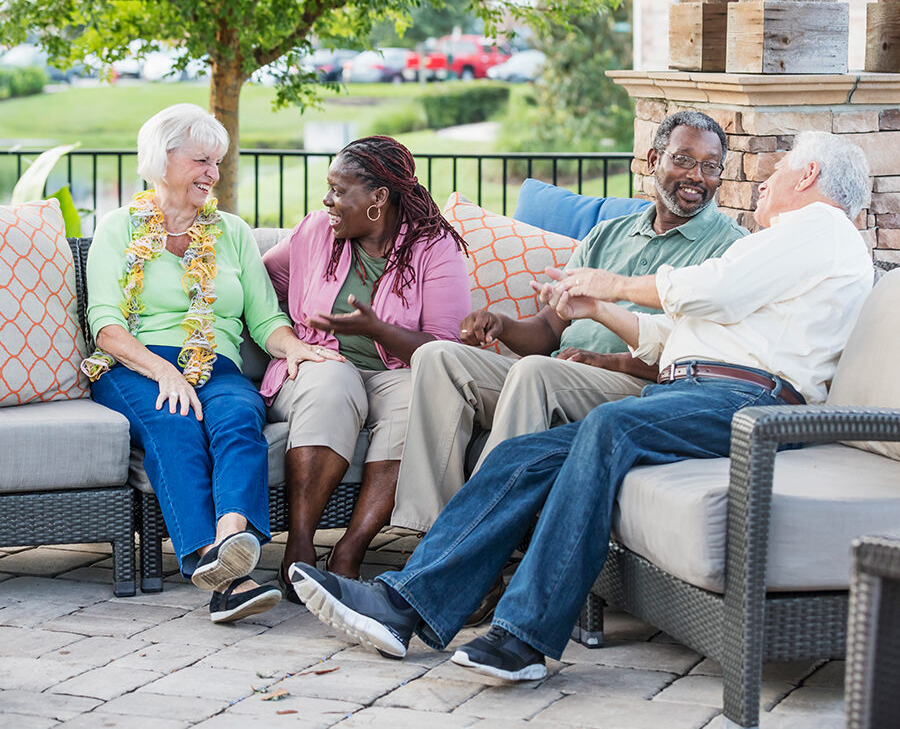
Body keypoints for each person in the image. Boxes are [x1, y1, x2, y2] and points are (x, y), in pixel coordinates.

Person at [289, 130, 873, 680]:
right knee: (525, 455)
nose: (763, 182)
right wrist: (597, 309)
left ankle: (525, 639)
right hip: (699, 389)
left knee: (610, 428)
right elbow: (680, 338)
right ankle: (403, 604)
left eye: (775, 171)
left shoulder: (820, 228)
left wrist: (611, 284)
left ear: (810, 174)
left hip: (751, 405)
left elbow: (710, 289)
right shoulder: (792, 255)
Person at [392, 110, 747, 535]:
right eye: (684, 160)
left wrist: (612, 362)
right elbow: (547, 332)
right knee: (439, 358)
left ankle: (479, 538)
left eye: (711, 167)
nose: (697, 176)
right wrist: (501, 325)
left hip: (640, 388)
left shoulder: (731, 250)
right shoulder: (607, 236)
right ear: (653, 160)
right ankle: (427, 534)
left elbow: (710, 360)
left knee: (537, 372)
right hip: (561, 371)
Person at [84, 103, 325, 623]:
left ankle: (227, 543)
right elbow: (106, 324)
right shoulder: (118, 228)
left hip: (217, 362)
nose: (213, 174)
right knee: (176, 423)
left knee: (240, 418)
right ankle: (225, 571)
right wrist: (164, 370)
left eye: (217, 162)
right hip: (136, 363)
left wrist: (293, 347)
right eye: (201, 161)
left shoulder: (231, 232)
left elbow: (264, 318)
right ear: (162, 158)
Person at [260, 135, 470, 589]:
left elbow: (442, 350)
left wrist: (376, 329)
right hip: (319, 363)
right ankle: (299, 546)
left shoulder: (433, 248)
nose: (327, 199)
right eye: (328, 187)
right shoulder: (316, 231)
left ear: (379, 197)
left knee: (423, 396)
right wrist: (284, 336)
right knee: (333, 383)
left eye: (339, 190)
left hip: (395, 372)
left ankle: (350, 549)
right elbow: (260, 286)